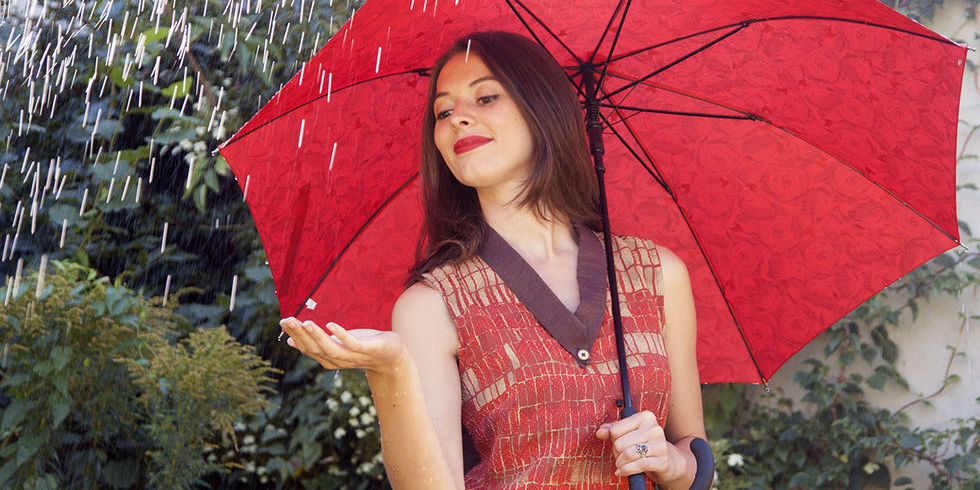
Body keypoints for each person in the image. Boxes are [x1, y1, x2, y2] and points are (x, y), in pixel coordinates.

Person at [279, 31, 706, 489]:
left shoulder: (656, 273)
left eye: (484, 97)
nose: (458, 119)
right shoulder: (432, 305)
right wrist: (391, 372)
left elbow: (693, 453)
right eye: (443, 111)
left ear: (542, 109)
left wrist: (671, 463)